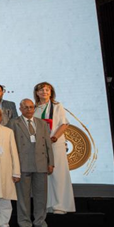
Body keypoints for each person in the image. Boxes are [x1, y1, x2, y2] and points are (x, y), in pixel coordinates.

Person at [9, 99, 55, 227]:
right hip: (22, 164)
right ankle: (25, 224)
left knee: (41, 196)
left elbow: (48, 144)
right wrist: (13, 166)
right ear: (20, 108)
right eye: (26, 107)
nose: (29, 110)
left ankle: (40, 223)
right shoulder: (13, 123)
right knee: (23, 197)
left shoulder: (42, 123)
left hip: (41, 163)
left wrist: (51, 162)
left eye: (31, 107)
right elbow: (10, 146)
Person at [34, 82, 75, 215]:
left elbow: (64, 124)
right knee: (45, 175)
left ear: (51, 92)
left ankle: (61, 205)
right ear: (37, 93)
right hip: (40, 145)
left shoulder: (57, 106)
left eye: (47, 90)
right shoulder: (35, 108)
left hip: (55, 143)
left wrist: (55, 137)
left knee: (58, 174)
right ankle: (49, 204)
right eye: (41, 90)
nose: (44, 92)